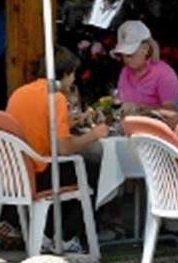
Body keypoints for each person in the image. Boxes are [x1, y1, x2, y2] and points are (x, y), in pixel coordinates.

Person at [6, 46, 107, 250]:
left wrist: (68, 122)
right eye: (73, 74)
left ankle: (50, 231)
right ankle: (69, 236)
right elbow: (64, 148)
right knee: (98, 169)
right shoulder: (55, 97)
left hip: (18, 170)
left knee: (81, 167)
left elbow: (37, 126)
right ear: (66, 73)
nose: (74, 79)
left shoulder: (20, 93)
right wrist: (94, 134)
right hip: (41, 173)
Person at [111, 20, 178, 117]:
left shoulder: (164, 74)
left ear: (146, 48)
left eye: (130, 54)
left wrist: (142, 108)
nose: (125, 59)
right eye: (122, 55)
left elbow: (173, 114)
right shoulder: (125, 71)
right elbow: (120, 102)